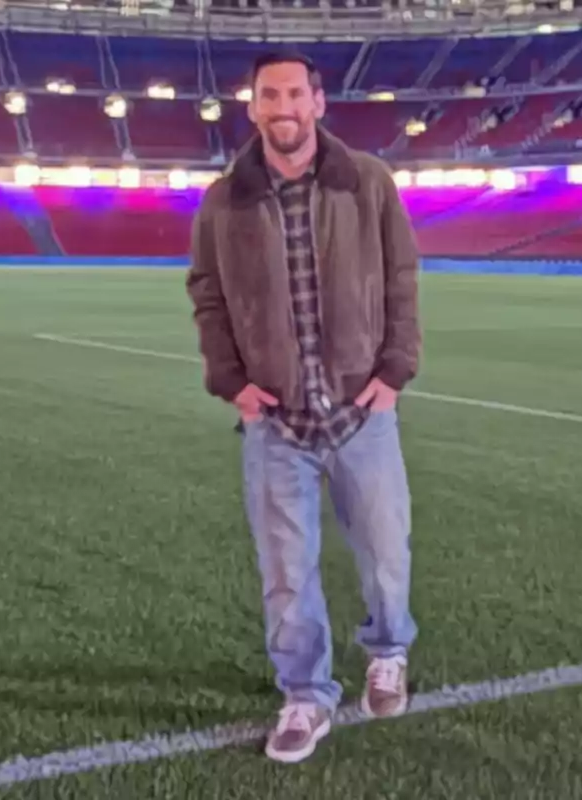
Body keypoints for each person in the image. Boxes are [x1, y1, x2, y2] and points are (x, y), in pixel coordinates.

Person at [185, 50, 422, 763]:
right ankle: (306, 697)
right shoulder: (224, 199)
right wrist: (231, 381)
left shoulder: (367, 182)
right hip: (277, 421)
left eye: (294, 92)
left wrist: (396, 370)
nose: (281, 106)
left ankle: (387, 653)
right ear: (252, 105)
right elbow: (207, 292)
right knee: (286, 573)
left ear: (318, 101)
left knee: (385, 554)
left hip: (361, 410)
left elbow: (402, 275)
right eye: (268, 95)